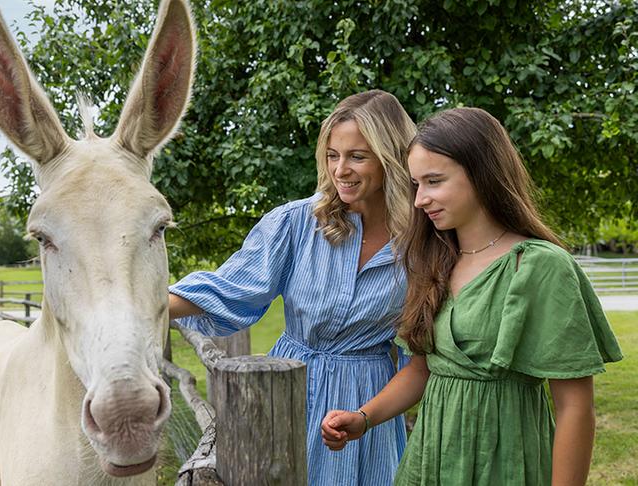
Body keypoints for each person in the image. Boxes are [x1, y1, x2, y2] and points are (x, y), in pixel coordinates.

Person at [321, 107, 623, 485]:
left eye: (434, 181)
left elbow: (576, 407)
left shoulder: (539, 267)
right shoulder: (432, 260)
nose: (419, 200)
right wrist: (363, 419)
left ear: (482, 175)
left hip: (506, 457)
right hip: (429, 460)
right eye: (417, 185)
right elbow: (421, 369)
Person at [169, 90, 416, 486]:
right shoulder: (297, 223)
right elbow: (231, 287)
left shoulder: (421, 244)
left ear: (391, 158)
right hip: (287, 390)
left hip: (366, 401)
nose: (340, 170)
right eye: (332, 155)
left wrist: (369, 415)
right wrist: (147, 304)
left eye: (357, 156)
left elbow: (420, 355)